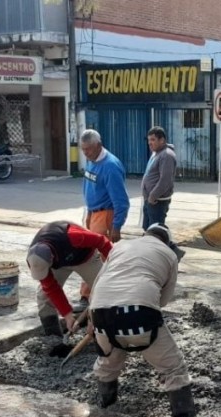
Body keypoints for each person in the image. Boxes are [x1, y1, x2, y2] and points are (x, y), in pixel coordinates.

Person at [87, 223, 195, 417]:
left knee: (108, 363)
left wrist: (91, 320)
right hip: (139, 316)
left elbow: (97, 283)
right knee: (173, 368)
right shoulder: (169, 254)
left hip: (100, 314)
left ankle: (104, 407)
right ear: (167, 241)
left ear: (145, 234)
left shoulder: (119, 246)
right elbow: (162, 300)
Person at [25, 221, 113, 336]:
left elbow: (102, 242)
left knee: (105, 291)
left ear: (51, 257)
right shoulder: (35, 258)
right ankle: (53, 337)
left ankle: (109, 330)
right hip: (59, 264)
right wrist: (67, 315)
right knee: (44, 296)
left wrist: (113, 265)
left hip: (85, 258)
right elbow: (51, 287)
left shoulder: (73, 237)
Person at [80, 129, 130, 310]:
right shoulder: (92, 161)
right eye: (83, 150)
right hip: (93, 214)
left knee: (94, 256)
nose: (85, 153)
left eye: (88, 149)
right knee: (95, 256)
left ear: (99, 146)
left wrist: (116, 226)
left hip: (105, 215)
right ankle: (94, 294)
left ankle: (91, 296)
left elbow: (122, 201)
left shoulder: (110, 166)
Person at [141, 126, 177, 231]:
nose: (149, 143)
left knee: (155, 231)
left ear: (162, 140)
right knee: (148, 229)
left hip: (157, 201)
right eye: (148, 140)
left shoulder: (166, 155)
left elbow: (165, 181)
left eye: (153, 140)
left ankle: (167, 246)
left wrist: (152, 196)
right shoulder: (156, 153)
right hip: (150, 200)